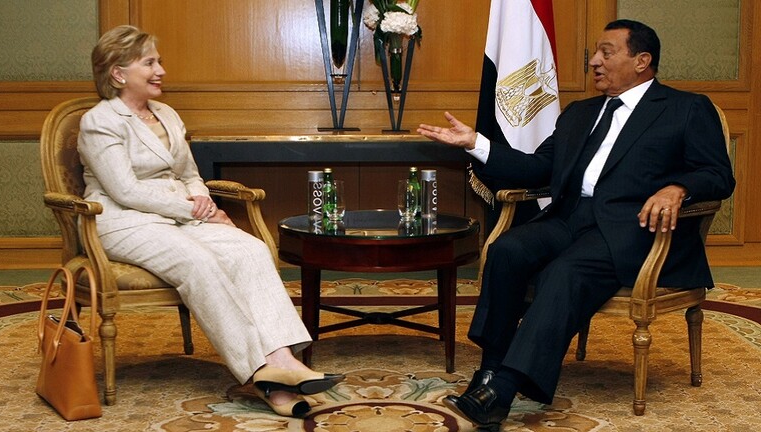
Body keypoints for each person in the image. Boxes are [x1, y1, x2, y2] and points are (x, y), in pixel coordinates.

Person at [417, 19, 735, 429]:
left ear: (642, 61)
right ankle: (490, 371)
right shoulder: (579, 113)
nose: (594, 61)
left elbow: (718, 175)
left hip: (633, 229)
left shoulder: (685, 108)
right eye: (595, 53)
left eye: (607, 52)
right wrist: (476, 143)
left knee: (564, 272)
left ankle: (501, 391)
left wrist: (678, 188)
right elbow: (537, 168)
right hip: (569, 218)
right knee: (507, 250)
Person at [78, 25, 342, 418]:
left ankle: (283, 360)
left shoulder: (166, 114)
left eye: (159, 61)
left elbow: (188, 174)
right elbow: (125, 190)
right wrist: (193, 210)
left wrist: (203, 199)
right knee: (198, 262)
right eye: (149, 63)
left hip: (181, 214)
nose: (160, 70)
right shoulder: (100, 121)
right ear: (118, 73)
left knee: (250, 249)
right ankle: (260, 371)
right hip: (123, 221)